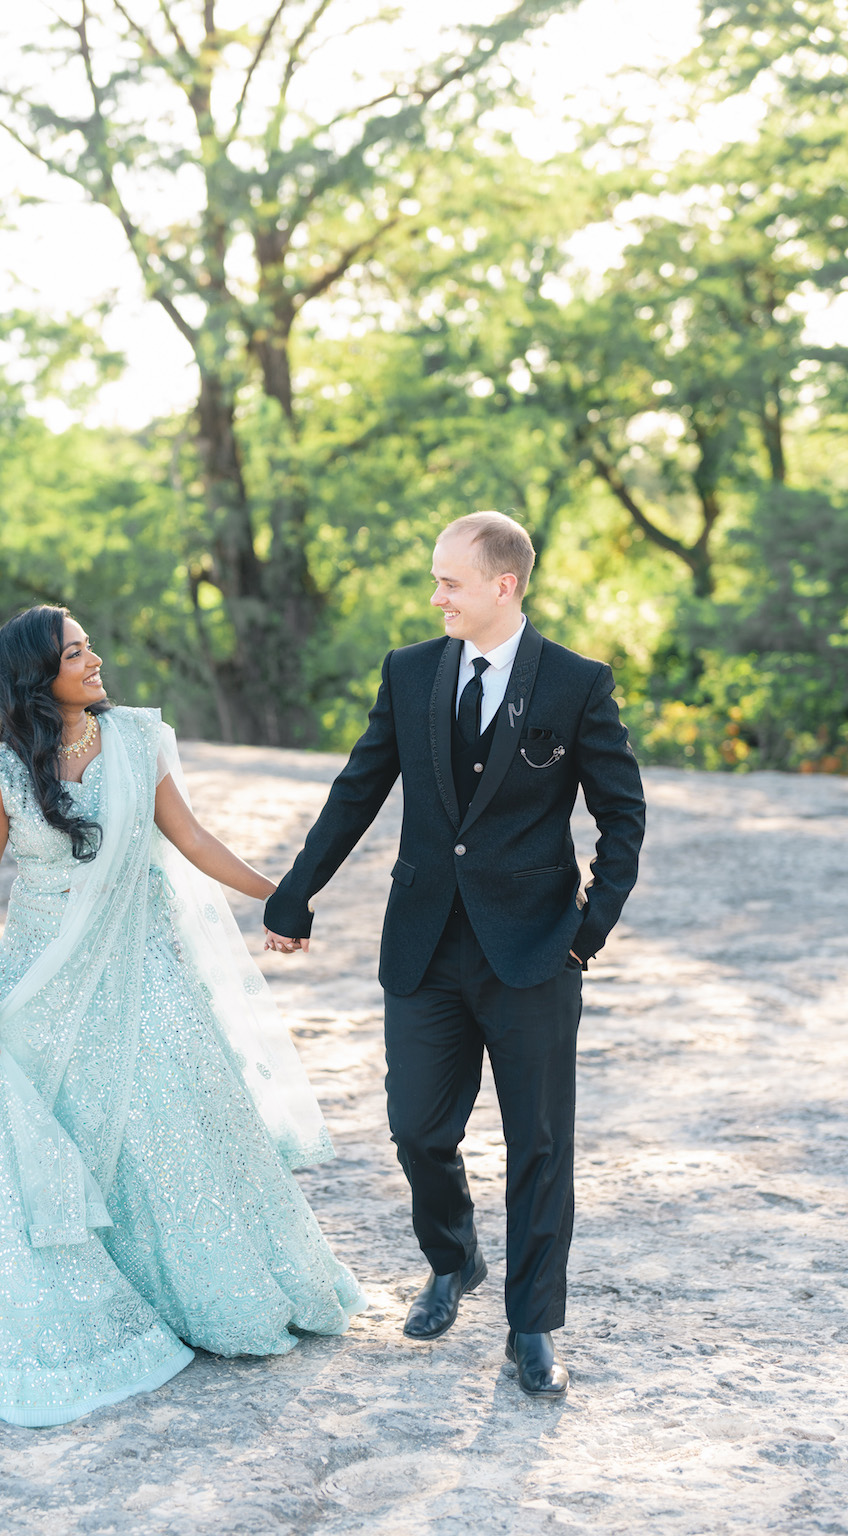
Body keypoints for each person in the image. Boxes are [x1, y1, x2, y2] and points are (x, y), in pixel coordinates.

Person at [0, 605, 363, 1427]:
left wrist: (281, 895)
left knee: (169, 1124)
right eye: (75, 652)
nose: (95, 659)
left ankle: (196, 1295)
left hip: (143, 967)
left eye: (91, 643)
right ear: (37, 675)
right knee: (64, 1133)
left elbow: (192, 839)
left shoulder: (138, 741)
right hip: (43, 985)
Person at [264, 512, 645, 1399]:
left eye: (450, 582)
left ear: (503, 586)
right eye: (434, 581)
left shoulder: (577, 684)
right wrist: (298, 888)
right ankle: (454, 1256)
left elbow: (622, 818)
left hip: (535, 952)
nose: (435, 596)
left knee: (540, 1144)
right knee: (417, 1130)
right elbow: (359, 786)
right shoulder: (410, 672)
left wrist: (588, 930)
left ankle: (533, 1327)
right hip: (425, 945)